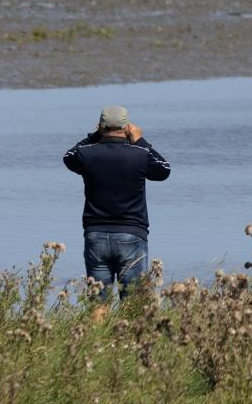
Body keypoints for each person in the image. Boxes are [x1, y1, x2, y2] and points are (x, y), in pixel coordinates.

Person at [63, 104, 171, 297]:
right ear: (127, 127)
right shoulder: (140, 154)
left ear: (101, 126)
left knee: (98, 301)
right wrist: (140, 140)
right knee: (131, 303)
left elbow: (68, 156)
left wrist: (94, 136)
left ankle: (98, 319)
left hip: (96, 234)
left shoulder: (87, 154)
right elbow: (164, 170)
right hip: (132, 233)